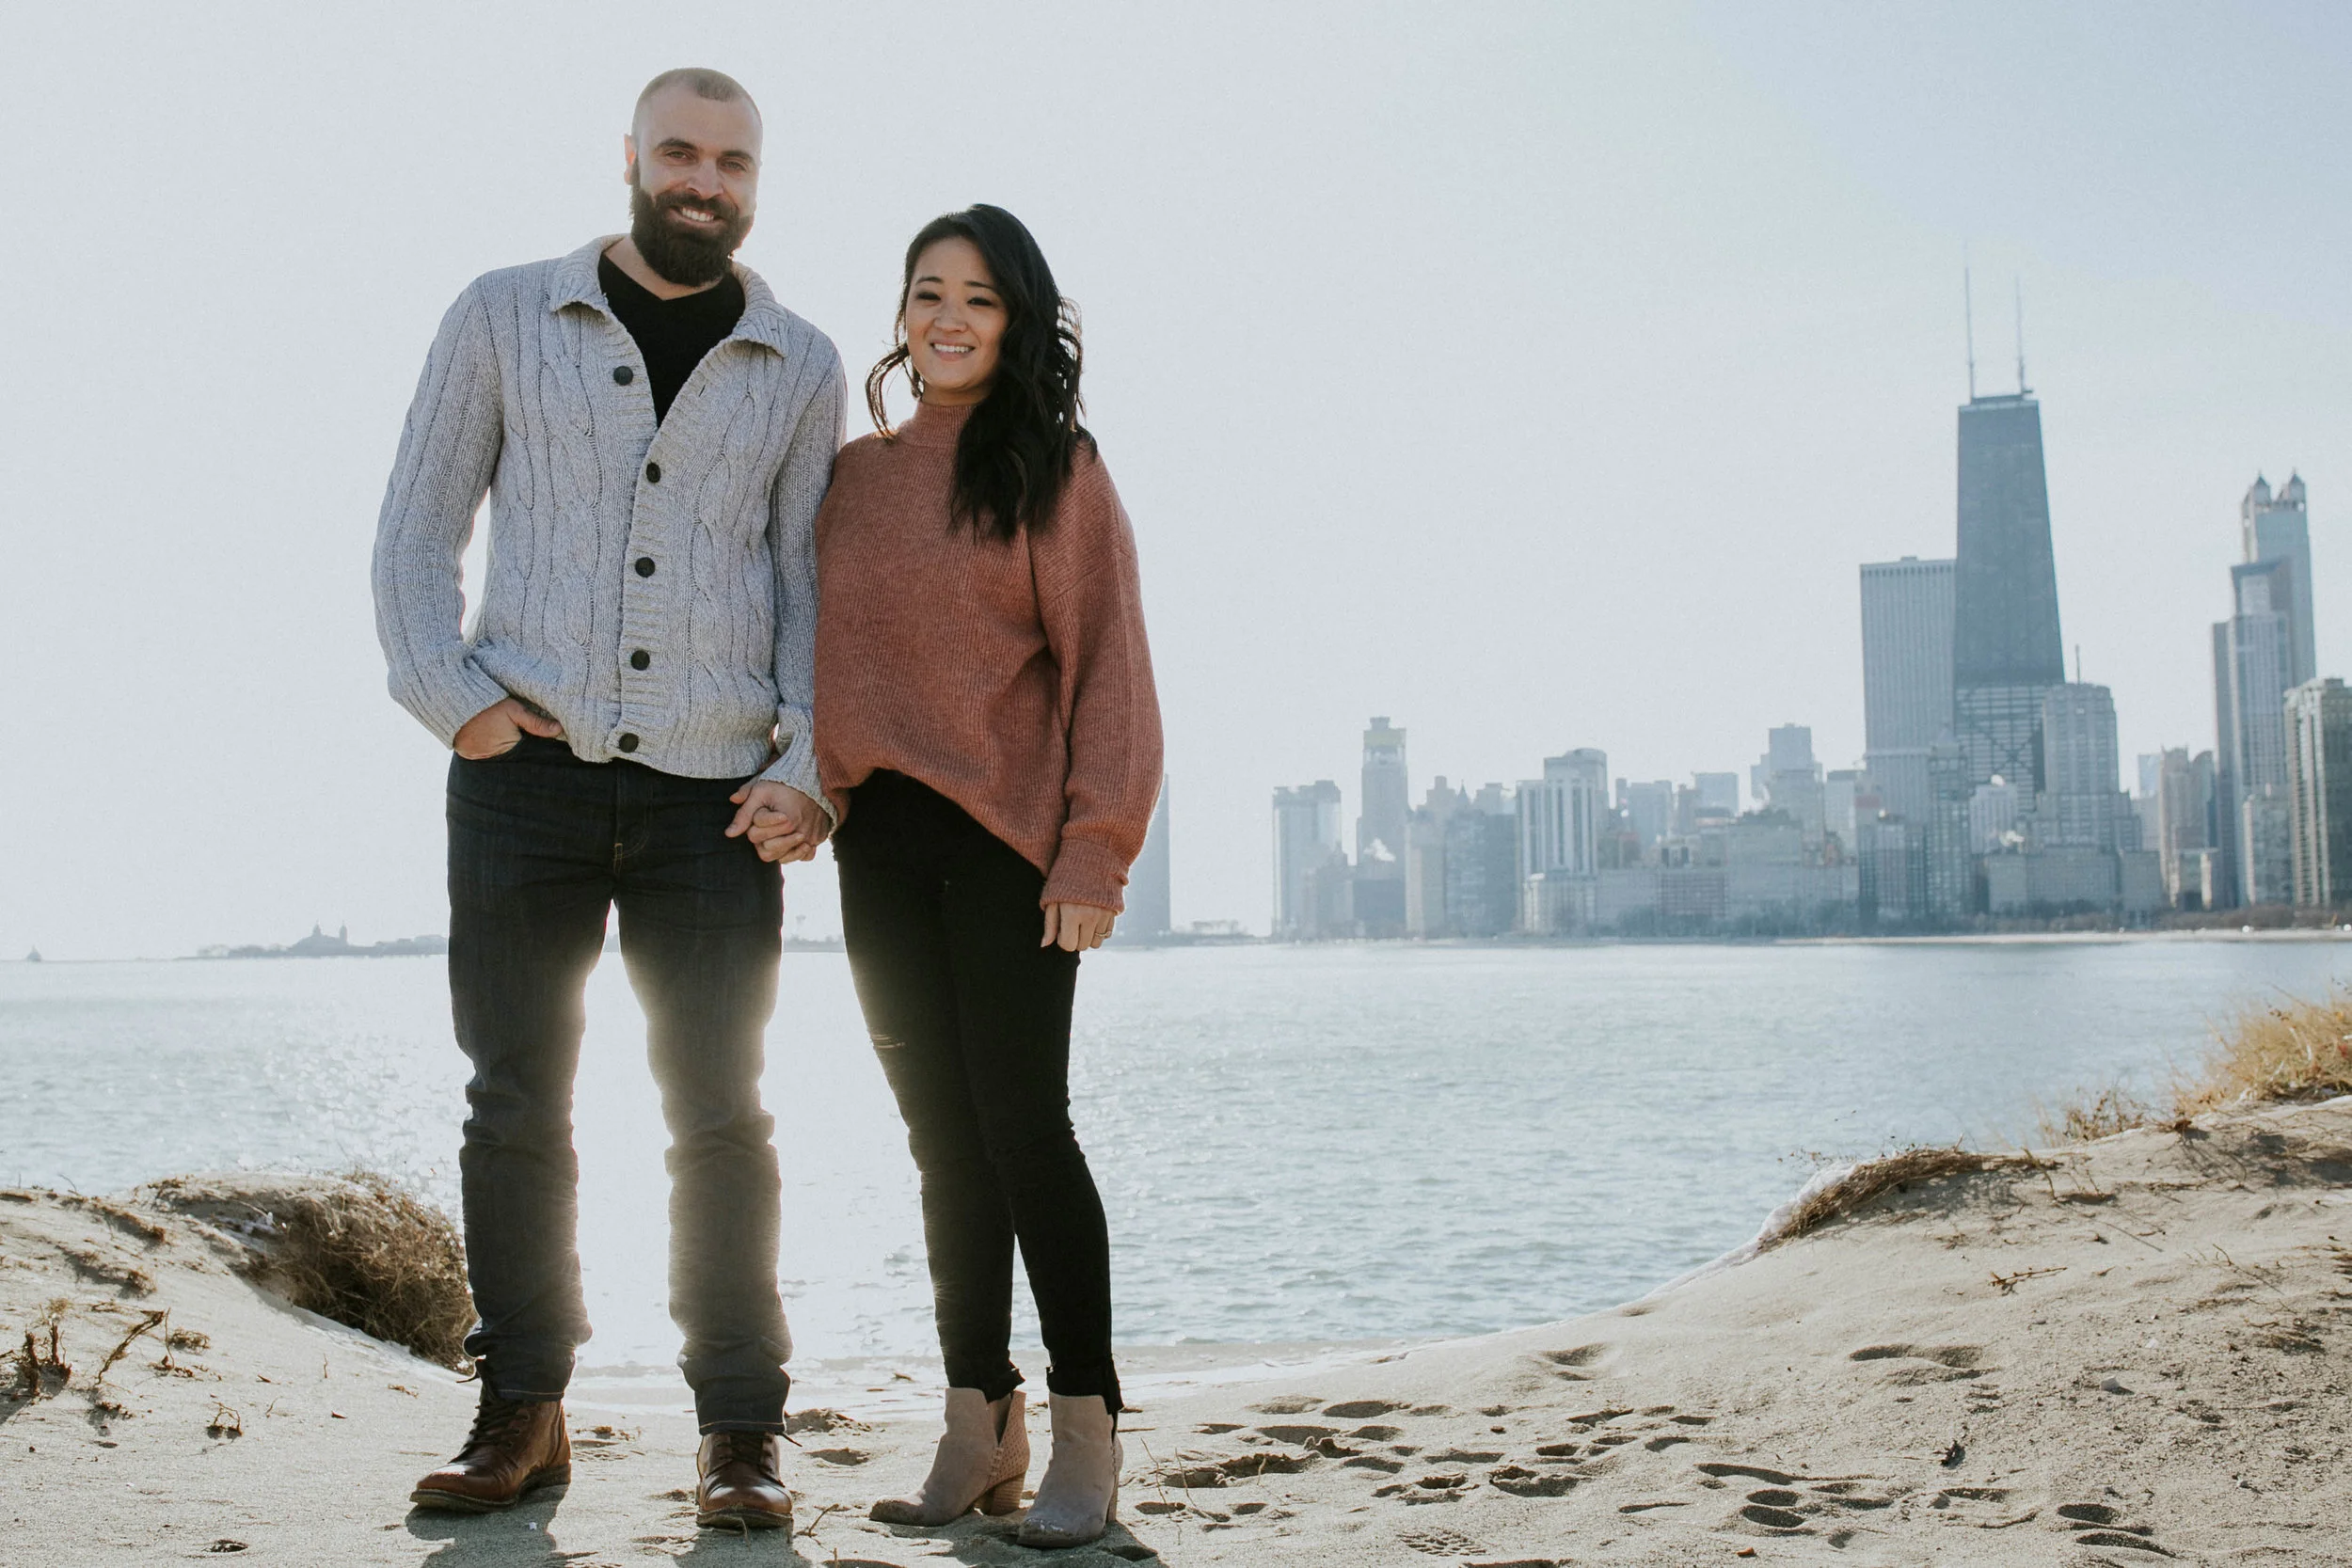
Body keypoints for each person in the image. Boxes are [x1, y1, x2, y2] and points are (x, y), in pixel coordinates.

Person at [372, 67, 839, 1533]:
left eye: (735, 162)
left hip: (716, 803)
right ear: (630, 159)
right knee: (516, 1101)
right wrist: (460, 704)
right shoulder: (502, 311)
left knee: (722, 1115)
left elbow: (817, 587)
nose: (706, 181)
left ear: (758, 181)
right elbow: (411, 534)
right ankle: (524, 1406)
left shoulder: (803, 360)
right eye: (682, 153)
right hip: (525, 786)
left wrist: (805, 765)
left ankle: (741, 1431)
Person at [798, 204, 1161, 1548]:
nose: (947, 318)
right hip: (878, 847)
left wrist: (1095, 847)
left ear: (1019, 322)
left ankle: (1088, 1430)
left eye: (980, 299)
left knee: (1025, 1132)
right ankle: (978, 1422)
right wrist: (812, 789)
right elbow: (824, 662)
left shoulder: (1057, 468)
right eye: (927, 292)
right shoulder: (852, 475)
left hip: (1014, 852)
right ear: (901, 311)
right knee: (940, 1145)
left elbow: (1111, 665)